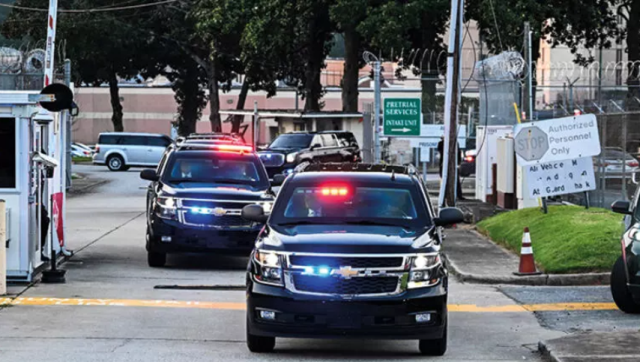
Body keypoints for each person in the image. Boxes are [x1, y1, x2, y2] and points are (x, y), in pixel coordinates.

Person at [437, 136, 465, 200]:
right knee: (444, 179)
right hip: (444, 164)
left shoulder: (455, 143)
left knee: (456, 180)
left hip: (453, 164)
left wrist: (458, 163)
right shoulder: (441, 143)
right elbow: (440, 150)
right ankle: (445, 195)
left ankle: (458, 195)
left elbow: (459, 153)